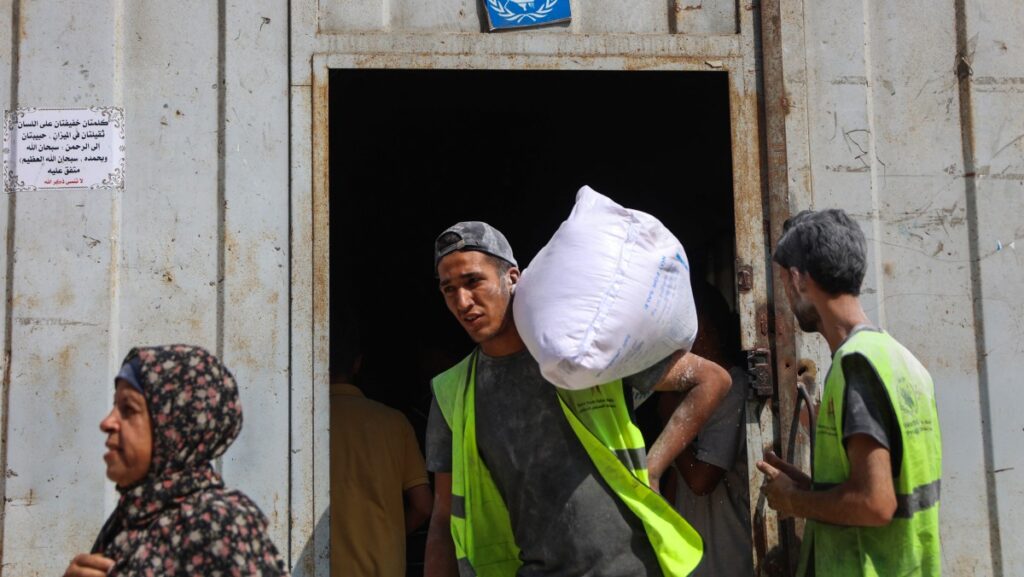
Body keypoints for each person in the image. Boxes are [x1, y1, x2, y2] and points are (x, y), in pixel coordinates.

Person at [424, 221, 732, 577]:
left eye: (473, 281)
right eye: (449, 289)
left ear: (512, 278)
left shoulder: (580, 348)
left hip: (632, 568)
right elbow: (442, 518)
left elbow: (711, 380)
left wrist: (652, 468)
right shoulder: (453, 391)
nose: (463, 302)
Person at [756, 209, 942, 576]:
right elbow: (890, 486)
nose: (787, 297)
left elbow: (874, 504)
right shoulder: (902, 361)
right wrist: (809, 488)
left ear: (799, 280)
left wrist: (793, 501)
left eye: (784, 281)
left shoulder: (856, 365)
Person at [64, 344, 288, 577]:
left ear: (175, 426)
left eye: (128, 409)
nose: (107, 422)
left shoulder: (217, 525)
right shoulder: (130, 520)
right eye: (114, 406)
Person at [657, 283, 752, 577]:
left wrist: (669, 421)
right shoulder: (687, 393)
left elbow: (700, 481)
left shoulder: (733, 390)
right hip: (696, 558)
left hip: (726, 557)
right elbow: (677, 481)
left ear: (707, 330)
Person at [330, 335, 433, 577]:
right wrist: (389, 538)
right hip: (385, 567)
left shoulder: (301, 426)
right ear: (357, 364)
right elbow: (423, 506)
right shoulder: (394, 422)